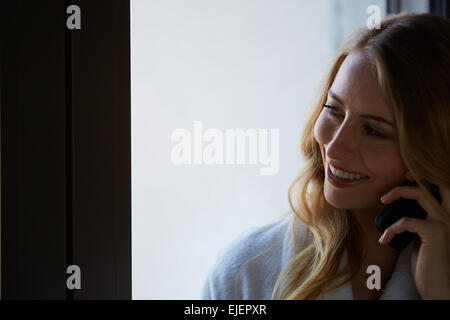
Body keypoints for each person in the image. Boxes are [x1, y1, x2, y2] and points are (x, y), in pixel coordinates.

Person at [201, 12, 450, 300]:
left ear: (430, 151)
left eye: (372, 130)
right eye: (333, 110)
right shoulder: (246, 270)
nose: (334, 145)